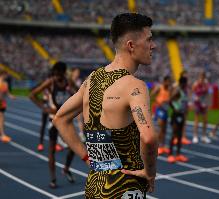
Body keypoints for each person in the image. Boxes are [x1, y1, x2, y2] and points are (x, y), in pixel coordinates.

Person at [53, 13, 158, 198]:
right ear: (131, 45)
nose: (153, 45)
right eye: (149, 39)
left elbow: (60, 118)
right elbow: (148, 138)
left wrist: (87, 158)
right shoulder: (135, 86)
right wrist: (149, 173)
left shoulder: (92, 79)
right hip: (125, 187)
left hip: (95, 185)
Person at [29, 62, 75, 188]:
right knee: (51, 150)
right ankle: (53, 179)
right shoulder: (50, 82)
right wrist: (44, 108)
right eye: (55, 73)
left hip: (66, 119)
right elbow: (32, 95)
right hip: (54, 120)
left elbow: (79, 94)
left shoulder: (68, 82)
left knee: (73, 148)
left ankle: (66, 168)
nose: (57, 76)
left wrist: (72, 93)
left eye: (59, 73)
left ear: (63, 72)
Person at [167, 76, 189, 163]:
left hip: (181, 115)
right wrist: (174, 108)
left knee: (179, 136)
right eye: (186, 83)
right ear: (183, 83)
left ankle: (178, 154)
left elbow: (184, 102)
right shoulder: (177, 90)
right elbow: (170, 100)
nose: (187, 84)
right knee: (174, 134)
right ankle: (170, 154)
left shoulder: (184, 91)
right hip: (176, 115)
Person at [151, 76, 171, 155]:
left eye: (170, 82)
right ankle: (157, 147)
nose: (169, 83)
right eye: (168, 81)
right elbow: (152, 95)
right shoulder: (160, 87)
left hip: (165, 109)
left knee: (164, 129)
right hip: (159, 109)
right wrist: (158, 101)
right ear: (165, 81)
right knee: (160, 128)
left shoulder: (169, 89)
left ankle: (163, 146)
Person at [192, 71, 211, 144]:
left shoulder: (206, 84)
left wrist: (207, 103)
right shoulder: (196, 83)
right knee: (196, 120)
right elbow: (192, 93)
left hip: (204, 104)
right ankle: (195, 136)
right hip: (197, 104)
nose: (202, 77)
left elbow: (207, 94)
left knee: (205, 120)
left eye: (203, 76)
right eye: (201, 76)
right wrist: (194, 100)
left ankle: (203, 136)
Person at [0, 71, 15, 143]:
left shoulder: (5, 83)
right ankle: (2, 134)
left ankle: (2, 134)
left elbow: (7, 93)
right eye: (5, 74)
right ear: (3, 74)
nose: (7, 76)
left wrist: (11, 96)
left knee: (2, 118)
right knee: (1, 118)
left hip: (2, 102)